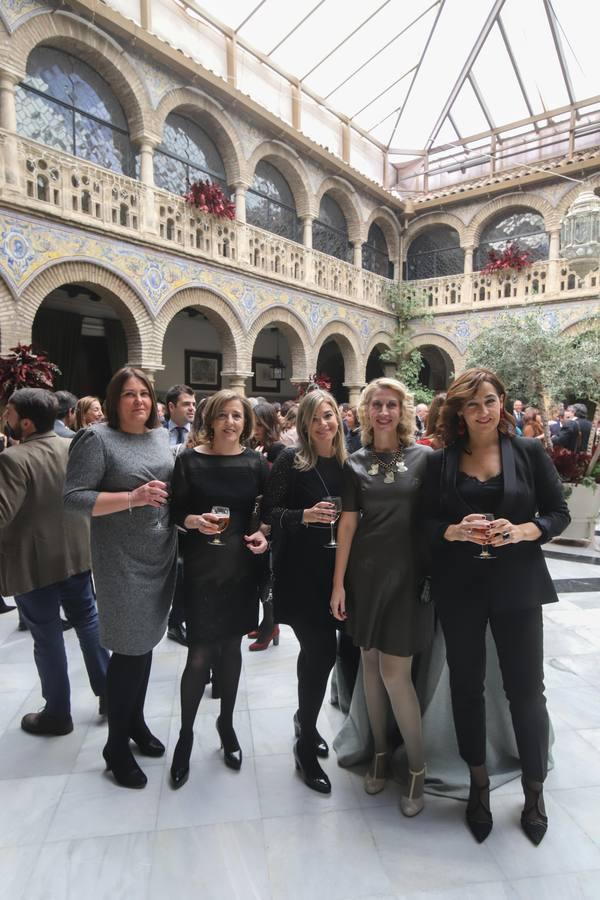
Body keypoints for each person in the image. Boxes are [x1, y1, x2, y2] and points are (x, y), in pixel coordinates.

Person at [422, 367, 570, 845]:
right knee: (466, 688)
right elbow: (422, 523)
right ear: (458, 412)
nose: (483, 411)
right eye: (472, 404)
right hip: (460, 587)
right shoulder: (441, 461)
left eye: (490, 400)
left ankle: (534, 792)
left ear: (502, 402)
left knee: (527, 691)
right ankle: (478, 786)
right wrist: (453, 530)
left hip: (518, 585)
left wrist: (525, 530)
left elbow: (558, 513)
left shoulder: (528, 452)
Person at [64, 367, 177, 789]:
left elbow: (169, 488)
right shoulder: (96, 439)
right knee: (129, 652)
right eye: (128, 394)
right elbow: (74, 499)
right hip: (121, 562)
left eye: (144, 393)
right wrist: (132, 497)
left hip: (160, 553)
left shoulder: (159, 436)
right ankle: (115, 746)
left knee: (144, 647)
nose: (138, 401)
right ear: (114, 400)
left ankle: (135, 723)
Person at [330, 378, 433, 817]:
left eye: (392, 405)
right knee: (369, 668)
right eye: (376, 405)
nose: (384, 412)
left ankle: (415, 767)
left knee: (396, 675)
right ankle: (376, 752)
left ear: (403, 410)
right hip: (365, 577)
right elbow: (347, 526)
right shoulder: (353, 463)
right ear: (366, 411)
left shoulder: (425, 459)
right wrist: (338, 584)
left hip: (408, 578)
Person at [169, 390, 269, 788]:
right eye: (224, 415)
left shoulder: (255, 463)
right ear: (210, 420)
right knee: (198, 656)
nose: (231, 422)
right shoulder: (189, 461)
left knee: (231, 652)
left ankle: (226, 726)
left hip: (240, 570)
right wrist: (193, 521)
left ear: (246, 423)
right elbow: (175, 510)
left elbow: (269, 511)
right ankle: (185, 737)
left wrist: (265, 533)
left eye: (238, 416)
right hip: (200, 570)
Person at [0, 388, 108, 735]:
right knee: (88, 623)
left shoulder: (15, 459)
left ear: (26, 422)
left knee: (47, 636)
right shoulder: (73, 446)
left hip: (35, 564)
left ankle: (58, 713)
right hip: (76, 553)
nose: (6, 419)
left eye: (10, 414)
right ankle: (110, 693)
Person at [263, 390, 346, 794]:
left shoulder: (350, 462)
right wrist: (304, 516)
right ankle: (305, 746)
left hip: (341, 575)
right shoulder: (290, 461)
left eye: (328, 415)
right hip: (301, 574)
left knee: (317, 655)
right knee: (321, 652)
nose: (323, 424)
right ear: (304, 424)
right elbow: (269, 514)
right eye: (315, 418)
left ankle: (304, 720)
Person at [248, 402, 286, 652]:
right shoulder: (255, 447)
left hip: (269, 522)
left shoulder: (280, 450)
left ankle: (271, 624)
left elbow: (280, 491)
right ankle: (265, 622)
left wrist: (268, 525)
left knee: (268, 577)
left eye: (259, 425)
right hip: (255, 519)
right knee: (260, 574)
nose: (255, 429)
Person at [164, 384, 197, 646]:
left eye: (193, 404)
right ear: (171, 406)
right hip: (163, 514)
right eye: (186, 404)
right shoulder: (156, 436)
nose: (192, 408)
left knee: (185, 571)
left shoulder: (197, 435)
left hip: (191, 515)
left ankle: (178, 621)